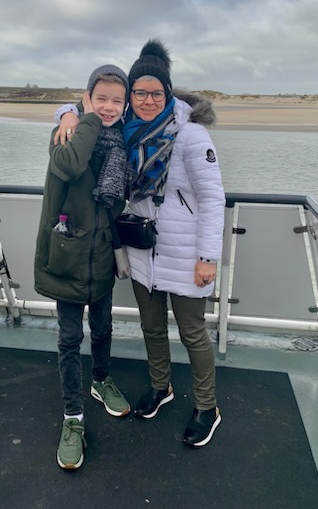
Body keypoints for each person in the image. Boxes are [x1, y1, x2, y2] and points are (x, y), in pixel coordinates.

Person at [56, 40, 225, 448]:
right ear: (130, 95)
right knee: (151, 326)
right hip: (141, 248)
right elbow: (88, 107)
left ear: (168, 93)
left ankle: (207, 407)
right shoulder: (124, 128)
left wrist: (208, 257)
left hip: (184, 252)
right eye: (140, 92)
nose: (148, 101)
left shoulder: (190, 134)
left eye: (156, 93)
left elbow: (212, 197)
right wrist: (65, 113)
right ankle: (161, 387)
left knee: (192, 332)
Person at [34, 64, 131, 471]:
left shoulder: (120, 141)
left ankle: (100, 381)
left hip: (102, 253)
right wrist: (76, 116)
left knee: (104, 327)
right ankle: (72, 417)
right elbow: (72, 166)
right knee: (70, 338)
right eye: (100, 98)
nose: (108, 107)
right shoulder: (66, 134)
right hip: (69, 254)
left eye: (116, 100)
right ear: (86, 97)